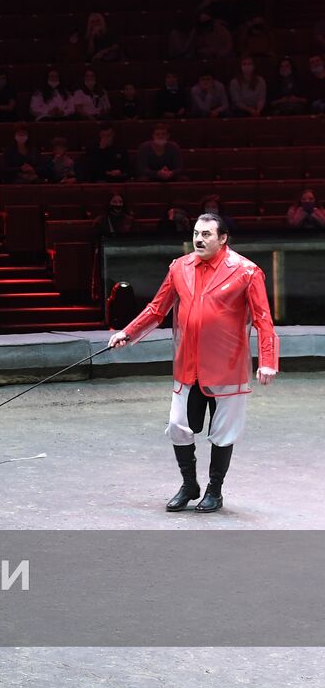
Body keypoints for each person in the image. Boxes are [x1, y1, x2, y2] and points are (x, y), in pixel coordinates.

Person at [109, 214, 277, 513]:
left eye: (207, 235)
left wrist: (267, 360)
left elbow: (264, 319)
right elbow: (157, 308)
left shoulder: (246, 271)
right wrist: (128, 332)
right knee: (178, 425)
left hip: (228, 364)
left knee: (224, 431)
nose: (199, 239)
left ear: (222, 238)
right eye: (196, 234)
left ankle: (215, 491)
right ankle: (189, 485)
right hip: (188, 363)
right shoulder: (179, 267)